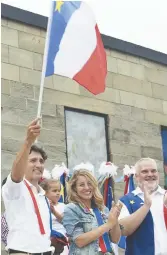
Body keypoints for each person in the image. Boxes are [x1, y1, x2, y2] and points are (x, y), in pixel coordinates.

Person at [2, 118, 53, 255]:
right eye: (33, 160)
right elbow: (16, 174)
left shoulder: (44, 196)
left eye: (41, 161)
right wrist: (28, 142)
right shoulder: (15, 188)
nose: (38, 164)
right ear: (24, 163)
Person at [62, 169, 122, 255]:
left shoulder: (103, 209)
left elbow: (115, 239)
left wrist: (115, 219)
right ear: (75, 188)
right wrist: (108, 225)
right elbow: (79, 241)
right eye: (82, 185)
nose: (87, 188)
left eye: (89, 183)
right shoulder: (71, 209)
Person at [119, 157, 167, 255]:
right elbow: (122, 230)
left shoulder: (165, 196)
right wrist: (146, 206)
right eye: (145, 171)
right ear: (136, 176)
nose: (150, 174)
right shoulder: (126, 201)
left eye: (153, 171)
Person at [40, 179, 68, 255]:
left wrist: (54, 212)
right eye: (54, 191)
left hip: (60, 240)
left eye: (59, 191)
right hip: (46, 240)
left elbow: (65, 220)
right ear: (45, 192)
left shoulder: (63, 206)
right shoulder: (41, 205)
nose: (58, 193)